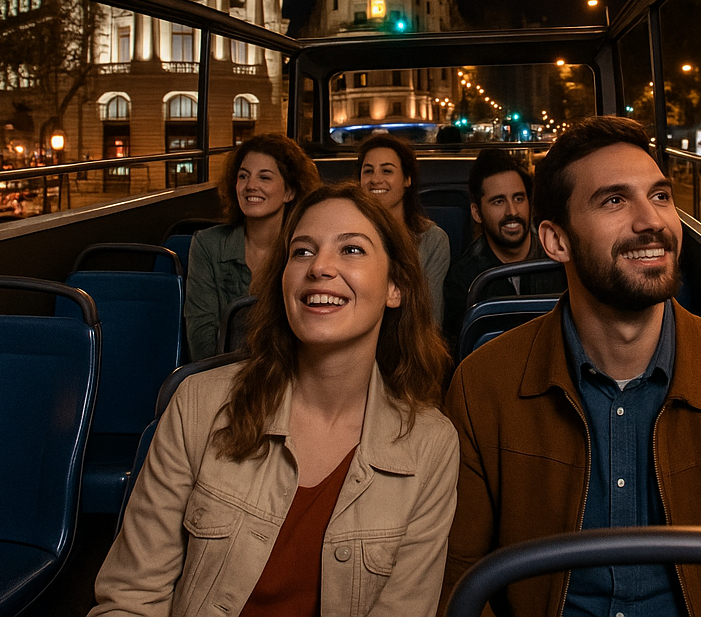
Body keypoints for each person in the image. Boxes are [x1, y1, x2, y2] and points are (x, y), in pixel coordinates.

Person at [439, 117, 701, 617]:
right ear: (556, 241)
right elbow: (459, 582)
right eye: (614, 200)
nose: (651, 220)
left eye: (660, 196)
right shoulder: (484, 386)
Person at [92, 183, 458, 617]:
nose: (320, 266)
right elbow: (131, 598)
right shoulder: (198, 405)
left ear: (395, 286)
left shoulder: (431, 446)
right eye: (301, 251)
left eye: (352, 251)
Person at [185, 134, 321, 360]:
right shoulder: (207, 244)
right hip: (218, 375)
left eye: (264, 177)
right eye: (243, 176)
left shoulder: (308, 249)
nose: (250, 186)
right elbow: (201, 340)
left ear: (289, 191)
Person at [441, 148, 564, 346]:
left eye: (519, 198)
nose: (512, 211)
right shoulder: (463, 277)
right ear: (476, 212)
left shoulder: (559, 259)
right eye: (498, 201)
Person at [358, 134, 450, 326]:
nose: (375, 179)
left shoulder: (432, 240)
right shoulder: (347, 236)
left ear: (407, 179)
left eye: (386, 171)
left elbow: (430, 321)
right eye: (368, 171)